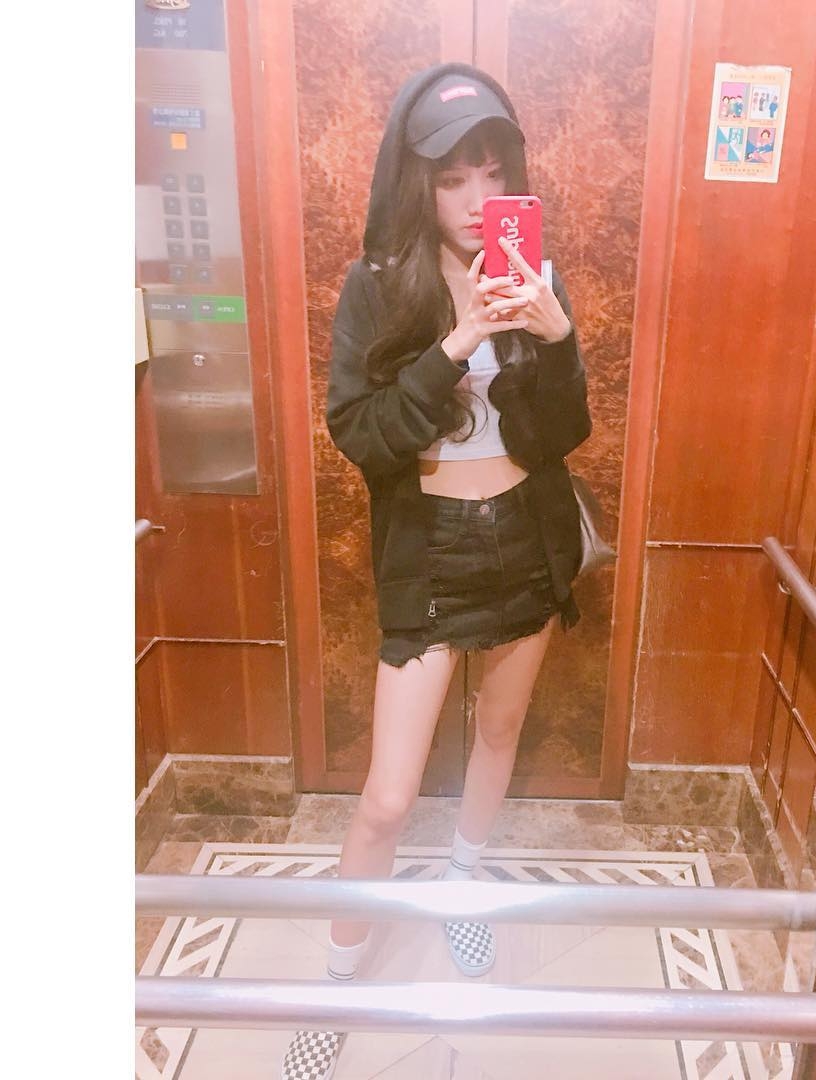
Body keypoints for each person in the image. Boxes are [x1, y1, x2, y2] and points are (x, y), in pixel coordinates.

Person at [280, 62, 592, 1080]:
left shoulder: (537, 278)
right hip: (430, 555)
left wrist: (557, 338)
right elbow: (363, 436)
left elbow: (564, 435)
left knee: (497, 734)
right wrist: (458, 342)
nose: (475, 199)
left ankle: (462, 886)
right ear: (418, 181)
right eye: (453, 177)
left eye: (493, 174)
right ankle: (337, 983)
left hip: (525, 538)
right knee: (386, 797)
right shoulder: (379, 286)